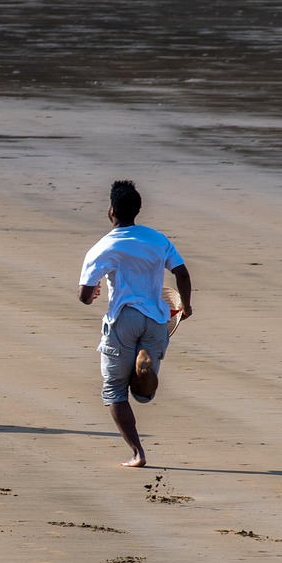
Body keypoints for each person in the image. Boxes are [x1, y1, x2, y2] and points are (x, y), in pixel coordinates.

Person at [78, 180, 192, 467]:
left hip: (123, 318)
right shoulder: (157, 239)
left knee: (114, 390)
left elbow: (84, 295)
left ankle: (137, 453)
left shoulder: (104, 246)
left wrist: (92, 294)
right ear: (138, 210)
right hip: (157, 318)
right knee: (144, 395)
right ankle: (144, 364)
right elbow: (182, 273)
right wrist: (186, 306)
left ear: (112, 210)